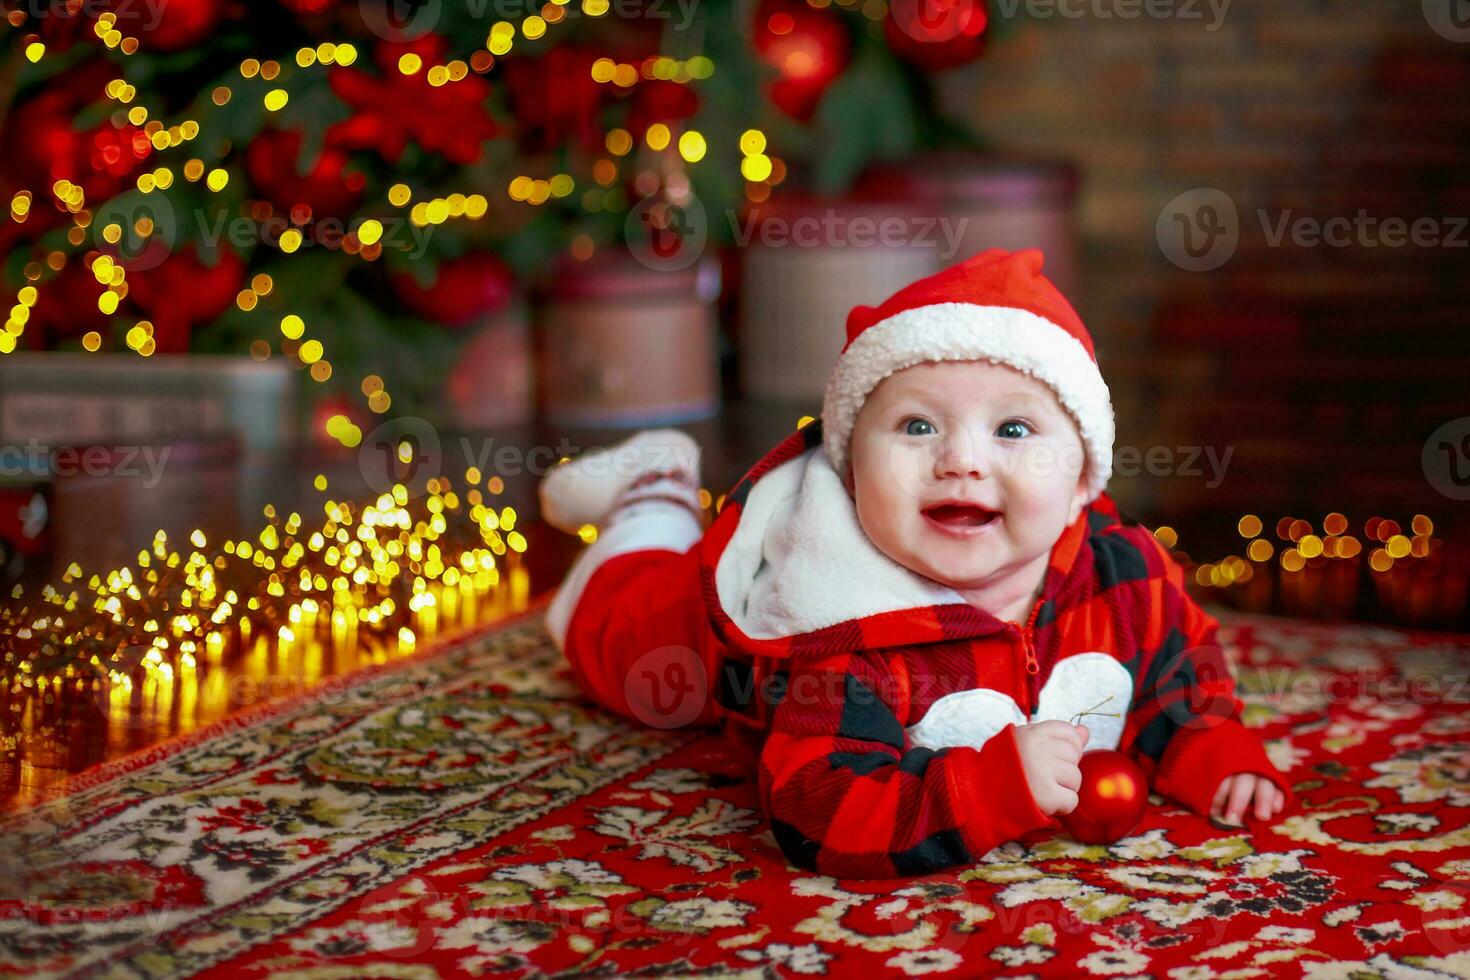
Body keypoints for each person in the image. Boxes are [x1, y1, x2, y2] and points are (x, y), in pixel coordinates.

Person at [538, 247, 1294, 879]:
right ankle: (651, 498)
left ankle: (662, 494)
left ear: (1079, 488)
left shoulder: (1121, 575)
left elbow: (1179, 668)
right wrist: (992, 787)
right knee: (620, 649)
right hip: (700, 636)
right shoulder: (841, 622)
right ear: (850, 471)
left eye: (1014, 428)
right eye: (918, 424)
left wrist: (1213, 750)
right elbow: (819, 812)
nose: (960, 460)